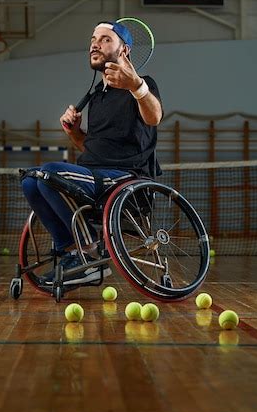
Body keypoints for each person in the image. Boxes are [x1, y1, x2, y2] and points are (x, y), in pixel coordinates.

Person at [21, 20, 163, 284]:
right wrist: (75, 133)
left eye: (105, 39)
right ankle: (73, 251)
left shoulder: (143, 86)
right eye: (93, 39)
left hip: (127, 180)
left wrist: (136, 86)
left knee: (50, 173)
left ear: (124, 50)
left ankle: (90, 255)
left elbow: (154, 117)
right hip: (95, 176)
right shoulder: (98, 96)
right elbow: (94, 150)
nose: (95, 44)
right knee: (31, 179)